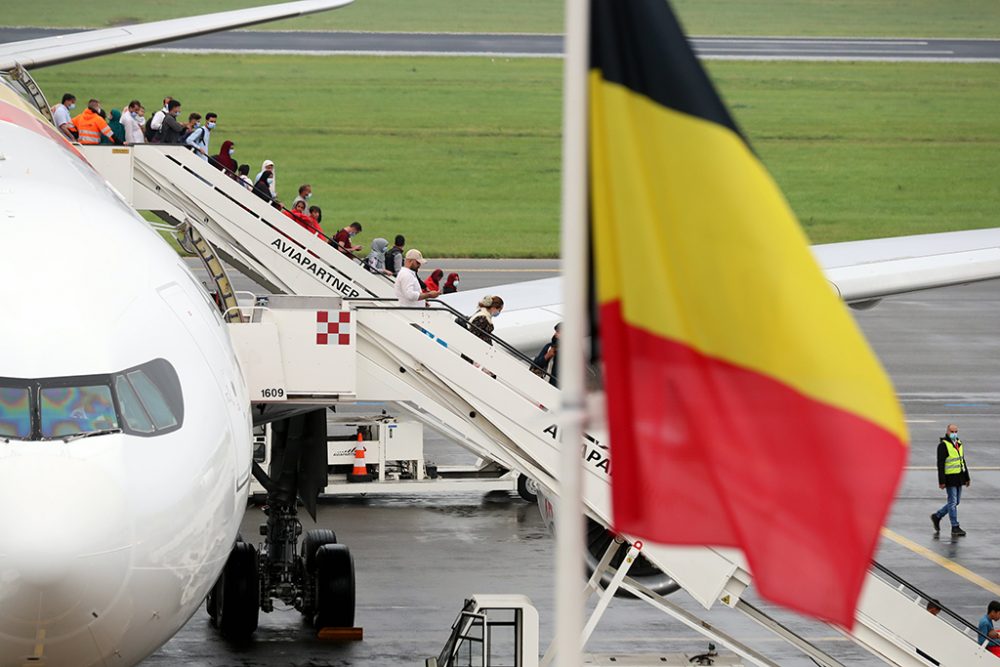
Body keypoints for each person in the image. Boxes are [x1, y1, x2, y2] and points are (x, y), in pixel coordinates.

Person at [931, 423, 970, 537]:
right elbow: (941, 464)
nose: (954, 434)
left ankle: (937, 516)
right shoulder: (943, 445)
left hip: (959, 477)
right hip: (949, 478)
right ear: (947, 431)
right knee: (952, 502)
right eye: (952, 432)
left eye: (955, 432)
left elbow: (962, 461)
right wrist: (941, 481)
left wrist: (967, 477)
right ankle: (955, 526)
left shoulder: (959, 443)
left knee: (956, 502)